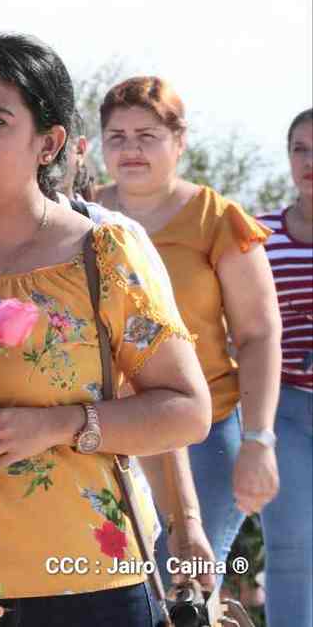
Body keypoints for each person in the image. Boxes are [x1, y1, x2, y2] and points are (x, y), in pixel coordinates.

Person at [0, 33, 211, 627]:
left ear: (49, 143)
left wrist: (61, 425)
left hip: (87, 582)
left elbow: (188, 411)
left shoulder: (104, 254)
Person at [95, 76, 283, 581]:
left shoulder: (217, 219)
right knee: (113, 585)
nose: (131, 150)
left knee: (184, 581)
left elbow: (259, 335)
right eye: (117, 137)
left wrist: (258, 440)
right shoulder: (81, 215)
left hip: (203, 428)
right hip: (104, 427)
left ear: (179, 141)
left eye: (147, 136)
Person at [258, 108, 312, 627]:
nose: (310, 161)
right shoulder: (260, 234)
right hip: (286, 409)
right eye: (301, 149)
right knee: (291, 547)